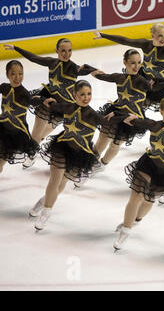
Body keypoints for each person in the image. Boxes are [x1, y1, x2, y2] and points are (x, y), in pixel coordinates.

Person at [29, 80, 125, 231]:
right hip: (62, 147)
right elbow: (50, 105)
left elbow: (110, 122)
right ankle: (46, 212)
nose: (86, 97)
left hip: (81, 154)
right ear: (74, 95)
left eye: (89, 94)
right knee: (55, 181)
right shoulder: (67, 107)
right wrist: (44, 100)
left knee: (62, 184)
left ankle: (44, 200)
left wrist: (119, 114)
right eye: (82, 94)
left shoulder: (94, 115)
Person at [3, 40, 97, 168]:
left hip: (63, 108)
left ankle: (34, 147)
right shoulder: (52, 63)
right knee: (36, 133)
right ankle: (32, 154)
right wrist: (16, 48)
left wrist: (87, 66)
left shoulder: (75, 68)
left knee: (42, 135)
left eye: (69, 50)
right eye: (63, 50)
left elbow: (93, 71)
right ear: (56, 50)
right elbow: (33, 58)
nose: (66, 54)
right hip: (47, 101)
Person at [113, 97, 164, 251]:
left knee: (148, 201)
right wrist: (116, 116)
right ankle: (125, 231)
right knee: (136, 196)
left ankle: (135, 220)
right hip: (148, 164)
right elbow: (132, 120)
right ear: (161, 111)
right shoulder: (154, 125)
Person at [93, 23, 164, 111]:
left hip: (160, 85)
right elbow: (126, 41)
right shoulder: (146, 45)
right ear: (153, 36)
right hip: (143, 81)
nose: (163, 39)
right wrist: (103, 35)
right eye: (160, 35)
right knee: (129, 104)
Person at [88, 49, 160, 177]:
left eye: (139, 63)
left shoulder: (142, 81)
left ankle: (102, 165)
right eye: (132, 63)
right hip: (115, 113)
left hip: (132, 119)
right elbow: (102, 76)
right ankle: (90, 164)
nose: (136, 66)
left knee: (116, 144)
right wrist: (89, 69)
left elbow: (155, 87)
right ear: (125, 62)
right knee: (102, 139)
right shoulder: (119, 77)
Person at [0, 60, 52, 173]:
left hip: (16, 134)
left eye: (20, 73)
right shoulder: (4, 87)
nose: (17, 77)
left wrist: (44, 101)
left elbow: (32, 101)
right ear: (7, 75)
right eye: (13, 73)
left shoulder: (24, 94)